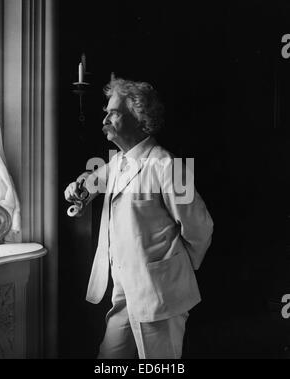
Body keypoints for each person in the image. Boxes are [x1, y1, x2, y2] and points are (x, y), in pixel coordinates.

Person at [64, 75, 214, 359]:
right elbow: (91, 182)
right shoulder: (118, 162)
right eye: (106, 112)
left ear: (138, 117)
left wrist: (176, 269)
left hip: (160, 295)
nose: (106, 118)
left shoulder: (166, 164)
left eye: (114, 112)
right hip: (123, 292)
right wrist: (78, 188)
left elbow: (200, 227)